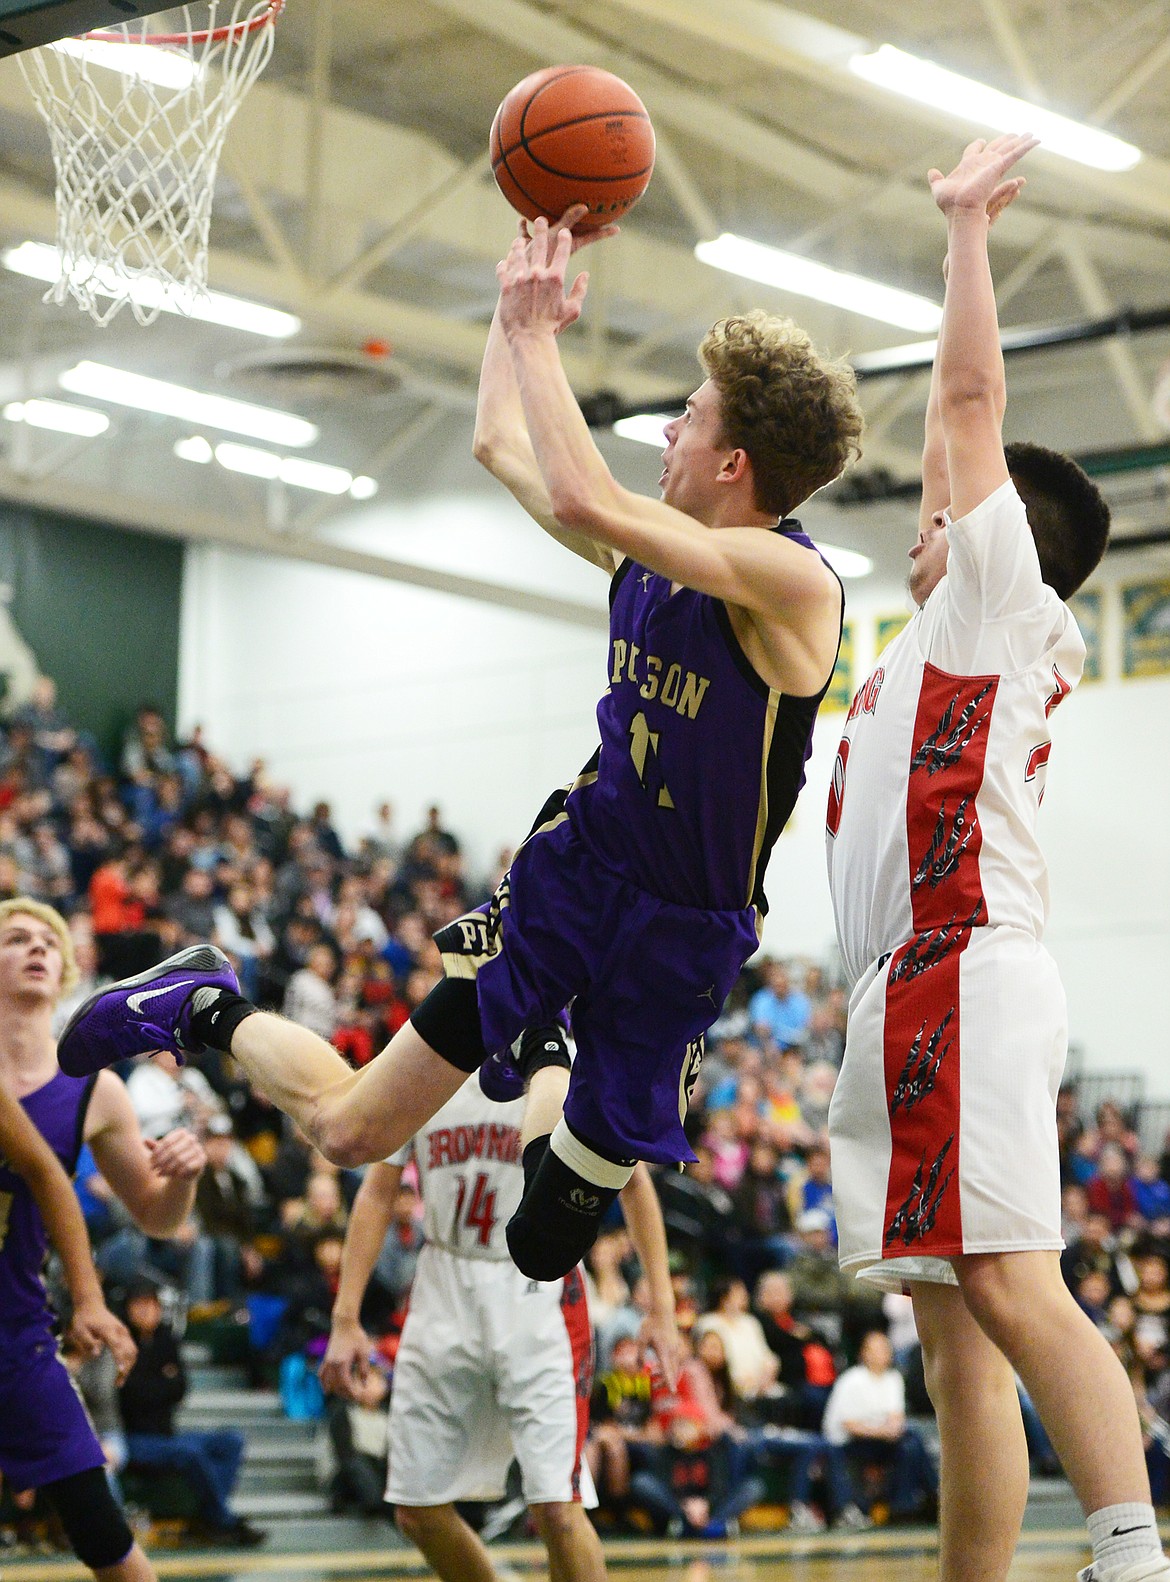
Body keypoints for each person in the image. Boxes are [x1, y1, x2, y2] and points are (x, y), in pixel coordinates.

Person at [57, 202, 862, 1288]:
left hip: (685, 935)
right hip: (578, 883)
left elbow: (582, 487)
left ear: (737, 464)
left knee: (541, 1247)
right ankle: (201, 1001)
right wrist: (507, 314)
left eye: (691, 417)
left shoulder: (798, 585)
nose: (670, 430)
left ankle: (554, 1060)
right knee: (348, 1134)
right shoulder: (645, 565)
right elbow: (500, 442)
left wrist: (543, 336)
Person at [824, 134, 1164, 1582]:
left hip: (957, 969)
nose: (927, 511)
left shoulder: (990, 598)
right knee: (953, 1323)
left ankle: (1130, 1547)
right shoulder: (929, 645)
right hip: (915, 986)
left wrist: (961, 233)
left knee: (1012, 1287)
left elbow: (966, 400)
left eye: (944, 500)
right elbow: (948, 436)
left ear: (991, 527)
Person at [319, 1029, 680, 1582]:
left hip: (537, 1287)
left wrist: (662, 1306)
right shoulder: (427, 1048)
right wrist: (345, 1318)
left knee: (557, 1506)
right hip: (444, 1279)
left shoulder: (568, 1057)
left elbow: (634, 1186)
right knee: (416, 1508)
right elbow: (375, 1192)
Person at [0, 897, 205, 1582]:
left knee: (103, 1532)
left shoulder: (95, 1091)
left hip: (19, 1326)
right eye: (15, 938)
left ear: (63, 971)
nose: (34, 948)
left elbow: (159, 1219)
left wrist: (182, 1177)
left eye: (47, 942)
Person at [119, 1277, 265, 1547]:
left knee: (231, 1441)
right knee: (190, 1454)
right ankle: (222, 1521)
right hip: (132, 1438)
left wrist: (156, 1385)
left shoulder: (166, 1339)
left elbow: (180, 1388)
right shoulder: (121, 1343)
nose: (145, 1311)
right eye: (138, 1305)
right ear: (128, 1309)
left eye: (150, 1305)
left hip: (166, 1432)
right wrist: (163, 1382)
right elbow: (130, 1396)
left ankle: (210, 1516)